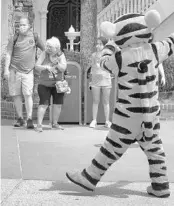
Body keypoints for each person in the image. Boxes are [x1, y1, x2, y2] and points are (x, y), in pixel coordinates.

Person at [66, 11, 174, 198]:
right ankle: (161, 185)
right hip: (150, 115)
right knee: (154, 148)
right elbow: (172, 42)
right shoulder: (156, 49)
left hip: (127, 116)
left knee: (110, 148)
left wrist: (109, 44)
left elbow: (103, 63)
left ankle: (89, 177)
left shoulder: (120, 58)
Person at [4, 16, 44, 128]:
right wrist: (6, 70)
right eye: (20, 25)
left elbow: (45, 50)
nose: (21, 27)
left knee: (28, 94)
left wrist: (39, 64)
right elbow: (8, 54)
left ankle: (30, 118)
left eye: (24, 25)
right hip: (13, 70)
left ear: (29, 26)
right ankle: (20, 118)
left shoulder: (35, 37)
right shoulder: (14, 38)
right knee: (16, 95)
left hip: (28, 71)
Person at [35, 37, 67, 132]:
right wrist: (46, 67)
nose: (48, 48)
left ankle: (55, 123)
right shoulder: (44, 53)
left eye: (50, 47)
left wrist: (57, 64)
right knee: (44, 104)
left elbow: (63, 68)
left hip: (58, 84)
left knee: (58, 104)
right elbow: (37, 66)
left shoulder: (60, 55)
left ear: (57, 48)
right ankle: (39, 125)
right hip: (44, 84)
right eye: (47, 46)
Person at [88, 36, 113, 128]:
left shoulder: (109, 54)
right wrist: (90, 81)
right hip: (96, 79)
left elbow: (111, 67)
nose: (98, 46)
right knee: (95, 101)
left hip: (106, 78)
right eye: (97, 44)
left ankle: (107, 121)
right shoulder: (93, 55)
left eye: (100, 44)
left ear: (105, 45)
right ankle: (94, 120)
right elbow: (92, 69)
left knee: (106, 101)